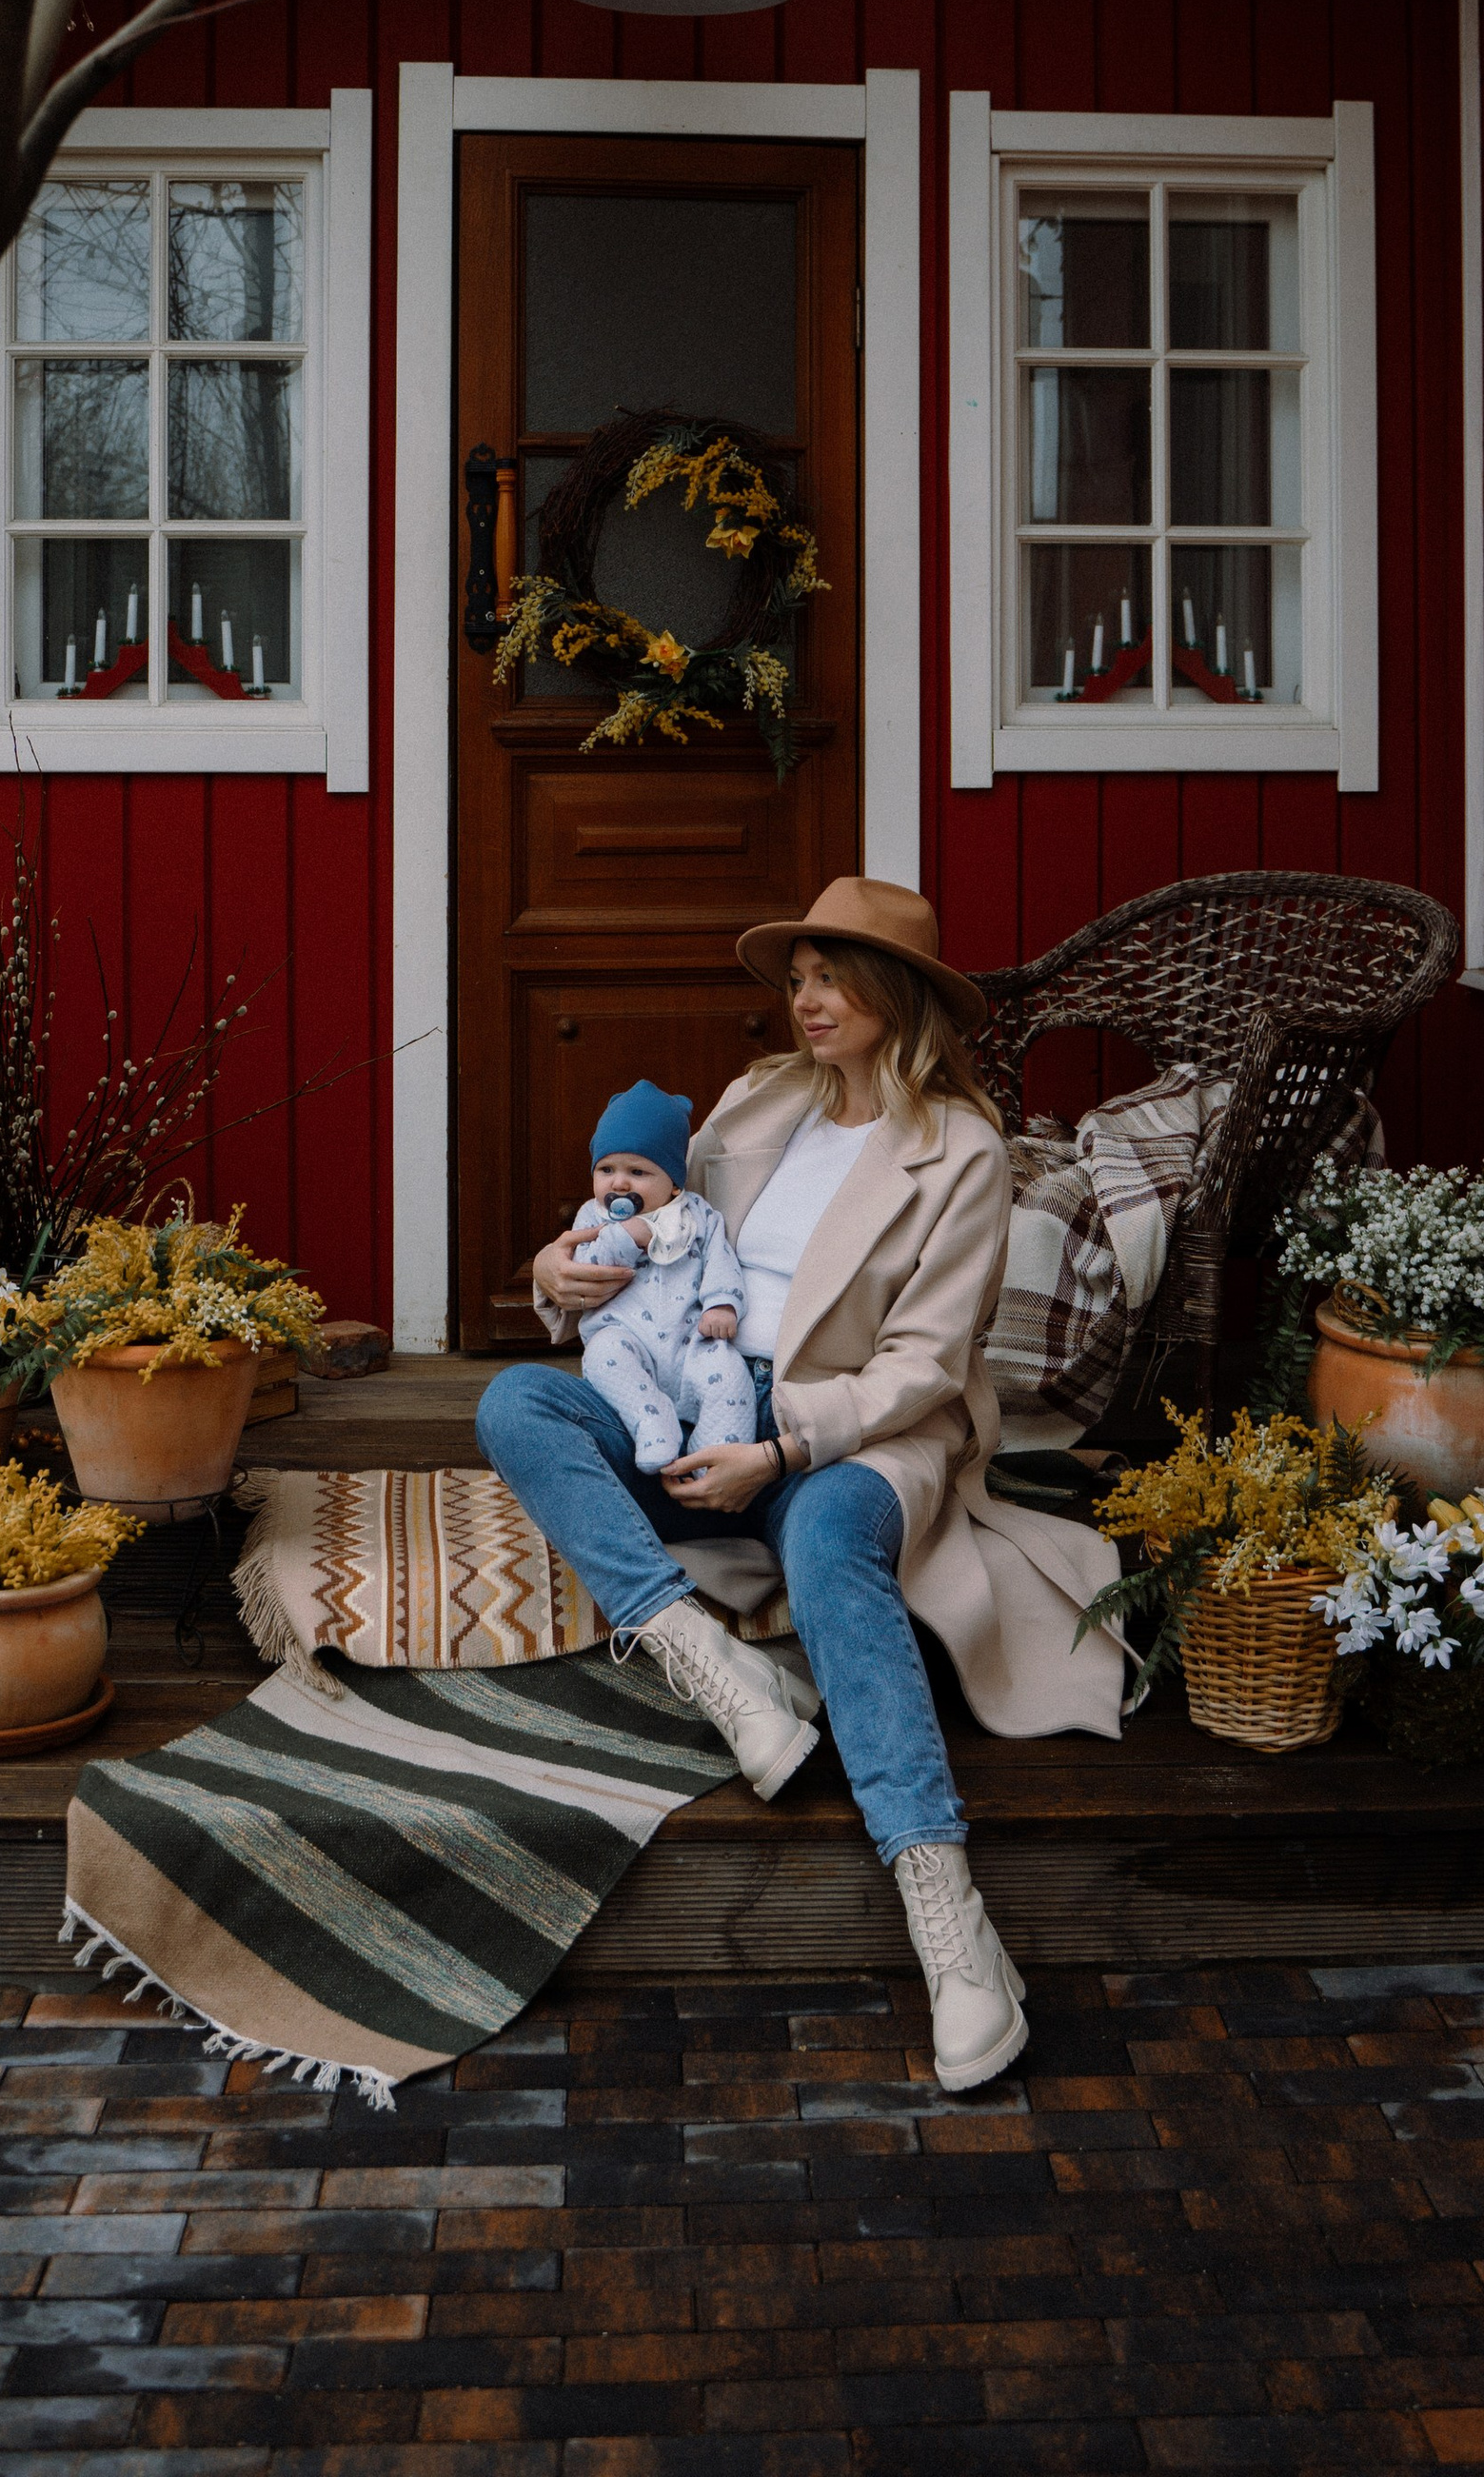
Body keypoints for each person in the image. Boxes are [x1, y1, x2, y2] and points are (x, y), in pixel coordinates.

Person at [475, 876, 1122, 2096]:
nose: (808, 1001)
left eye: (833, 977)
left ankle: (949, 1914)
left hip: (851, 1436)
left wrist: (780, 1451)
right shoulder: (756, 1103)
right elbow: (648, 1233)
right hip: (694, 1397)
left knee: (829, 1544)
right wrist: (564, 1273)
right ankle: (718, 1675)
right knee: (517, 1402)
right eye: (799, 979)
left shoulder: (961, 1154)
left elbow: (925, 1368)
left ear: (899, 996)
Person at [565, 1077, 755, 1474]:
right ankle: (651, 1422)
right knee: (603, 1357)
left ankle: (715, 1457)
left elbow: (720, 1260)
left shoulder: (696, 1216)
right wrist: (623, 1239)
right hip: (624, 1337)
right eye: (606, 1169)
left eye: (637, 1171)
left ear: (672, 1186)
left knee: (731, 1377)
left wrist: (722, 1305)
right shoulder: (592, 1217)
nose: (619, 1182)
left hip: (692, 1343)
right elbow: (586, 1267)